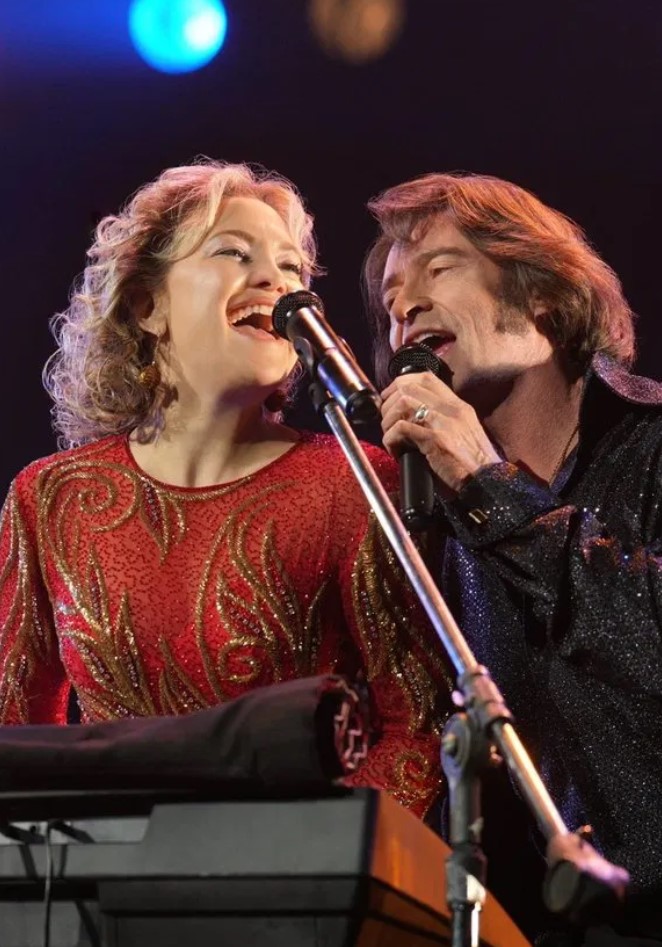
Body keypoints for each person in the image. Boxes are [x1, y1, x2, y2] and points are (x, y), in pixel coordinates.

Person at [0, 159, 451, 820]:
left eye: (293, 268)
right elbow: (16, 737)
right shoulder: (51, 498)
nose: (277, 280)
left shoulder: (354, 482)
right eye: (234, 253)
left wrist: (308, 860)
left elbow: (418, 725)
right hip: (105, 871)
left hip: (299, 871)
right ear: (148, 306)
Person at [362, 172, 662, 944]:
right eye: (390, 299)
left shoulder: (655, 444)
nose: (404, 307)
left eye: (439, 268)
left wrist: (491, 488)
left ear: (544, 300)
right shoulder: (438, 519)